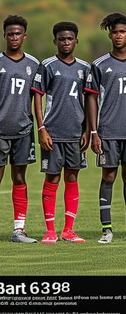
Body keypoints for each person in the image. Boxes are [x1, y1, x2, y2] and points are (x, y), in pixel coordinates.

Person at [84, 12, 126, 244]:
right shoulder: (100, 65)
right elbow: (91, 99)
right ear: (109, 35)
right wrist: (94, 132)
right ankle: (107, 230)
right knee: (109, 176)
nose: (118, 35)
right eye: (114, 32)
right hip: (108, 131)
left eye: (122, 31)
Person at [32, 21, 91, 244]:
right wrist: (41, 128)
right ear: (54, 41)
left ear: (77, 40)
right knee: (52, 178)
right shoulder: (47, 65)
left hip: (76, 133)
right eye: (61, 39)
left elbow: (90, 100)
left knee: (72, 176)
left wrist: (87, 129)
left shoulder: (85, 68)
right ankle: (50, 231)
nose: (66, 42)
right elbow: (38, 95)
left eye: (70, 38)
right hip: (53, 133)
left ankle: (68, 230)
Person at [0, 15, 39, 243]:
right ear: (4, 35)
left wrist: (40, 126)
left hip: (24, 130)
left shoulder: (33, 64)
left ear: (24, 36)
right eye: (10, 33)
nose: (14, 37)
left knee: (19, 177)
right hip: (1, 130)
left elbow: (37, 98)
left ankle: (19, 229)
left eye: (18, 34)